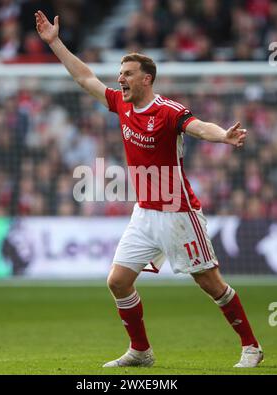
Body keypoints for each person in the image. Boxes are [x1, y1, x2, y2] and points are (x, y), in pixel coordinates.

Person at [35, 11, 263, 368]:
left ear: (147, 79)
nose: (120, 79)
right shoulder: (121, 106)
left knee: (210, 282)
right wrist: (54, 42)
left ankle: (251, 346)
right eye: (120, 73)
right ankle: (141, 351)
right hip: (144, 211)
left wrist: (224, 136)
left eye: (127, 74)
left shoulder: (168, 111)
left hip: (178, 211)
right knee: (118, 281)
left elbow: (199, 126)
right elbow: (85, 78)